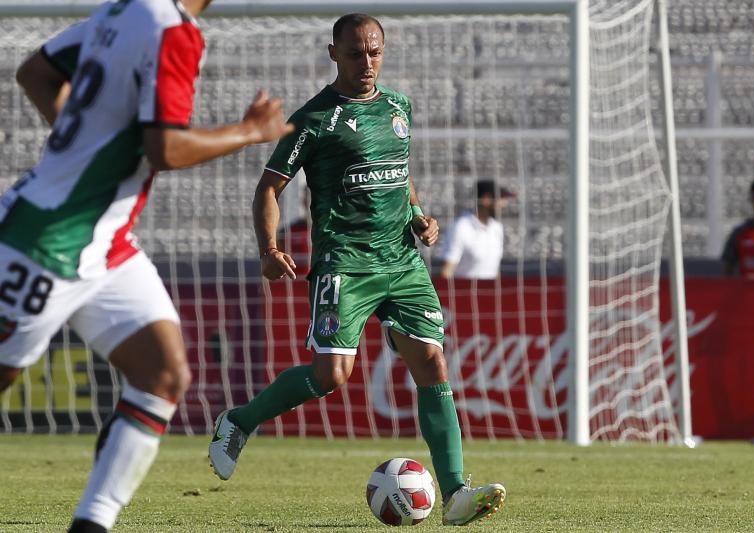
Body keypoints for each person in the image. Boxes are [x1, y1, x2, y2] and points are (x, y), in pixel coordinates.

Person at [0, 1, 291, 531]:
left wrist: (82, 145)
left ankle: (92, 524)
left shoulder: (123, 12)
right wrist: (251, 131)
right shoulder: (174, 31)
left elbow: (35, 73)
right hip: (47, 242)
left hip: (107, 243)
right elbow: (165, 148)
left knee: (163, 374)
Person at [208, 13, 506, 526]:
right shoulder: (313, 120)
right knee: (331, 376)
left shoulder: (398, 107)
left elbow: (400, 176)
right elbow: (268, 188)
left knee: (432, 363)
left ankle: (456, 493)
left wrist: (418, 217)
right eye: (355, 53)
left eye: (374, 52)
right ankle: (239, 420)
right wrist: (268, 247)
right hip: (344, 263)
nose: (366, 62)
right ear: (333, 54)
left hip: (402, 261)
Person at [439, 180, 514, 279]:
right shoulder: (461, 227)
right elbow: (446, 272)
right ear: (486, 199)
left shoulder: (496, 228)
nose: (504, 204)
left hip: (490, 292)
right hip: (465, 292)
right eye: (501, 199)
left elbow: (494, 269)